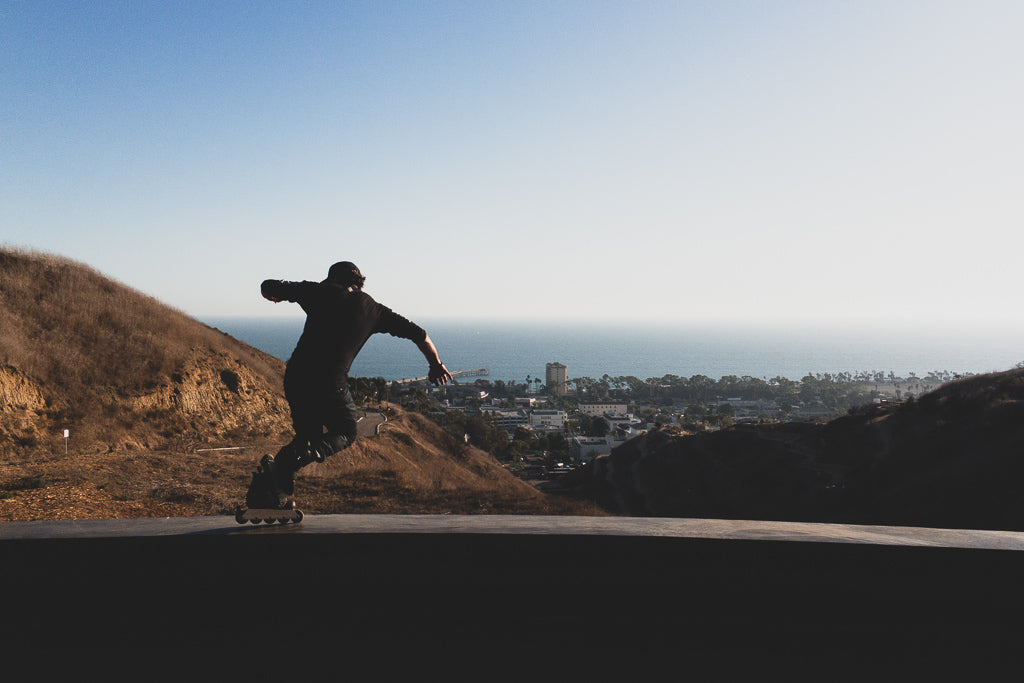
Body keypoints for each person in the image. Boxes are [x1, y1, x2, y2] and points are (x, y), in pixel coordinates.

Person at [244, 261, 453, 510]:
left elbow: (267, 286)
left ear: (333, 278)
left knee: (307, 438)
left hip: (297, 378)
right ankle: (283, 468)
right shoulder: (373, 309)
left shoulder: (316, 291)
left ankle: (269, 490)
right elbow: (421, 335)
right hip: (329, 383)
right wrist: (436, 364)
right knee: (345, 431)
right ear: (358, 282)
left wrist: (274, 295)